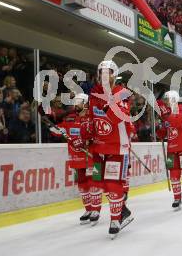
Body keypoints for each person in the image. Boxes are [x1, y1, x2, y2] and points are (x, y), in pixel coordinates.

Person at [86, 60, 135, 239]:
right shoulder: (94, 95)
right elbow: (91, 120)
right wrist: (85, 134)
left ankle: (116, 219)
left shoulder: (122, 93)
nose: (105, 76)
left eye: (108, 73)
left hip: (117, 147)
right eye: (101, 73)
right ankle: (122, 211)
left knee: (113, 184)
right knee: (100, 182)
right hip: (98, 147)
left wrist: (108, 104)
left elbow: (117, 116)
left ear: (115, 75)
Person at [51, 93, 94, 224]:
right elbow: (56, 132)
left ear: (86, 103)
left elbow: (96, 135)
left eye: (78, 102)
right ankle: (88, 209)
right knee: (81, 183)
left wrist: (83, 141)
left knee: (94, 183)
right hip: (76, 158)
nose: (75, 104)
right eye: (74, 102)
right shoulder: (69, 118)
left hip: (91, 157)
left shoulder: (91, 118)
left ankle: (97, 208)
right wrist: (54, 127)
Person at [156, 90, 182, 210]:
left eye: (166, 100)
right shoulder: (167, 114)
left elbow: (177, 122)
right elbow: (162, 133)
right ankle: (177, 198)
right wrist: (160, 127)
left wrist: (165, 118)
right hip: (171, 149)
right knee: (174, 175)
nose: (165, 103)